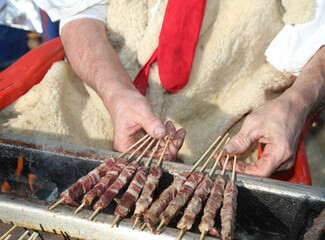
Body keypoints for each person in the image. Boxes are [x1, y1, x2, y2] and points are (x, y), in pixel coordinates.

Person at [3, 0, 324, 179]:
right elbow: (80, 14)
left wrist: (297, 104)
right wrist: (116, 95)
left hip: (240, 120)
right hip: (105, 93)